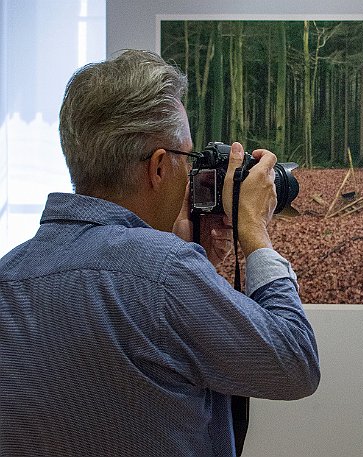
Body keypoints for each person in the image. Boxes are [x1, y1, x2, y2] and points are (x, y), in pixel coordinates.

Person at [0, 50, 320, 457]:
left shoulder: (8, 275)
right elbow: (295, 365)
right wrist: (254, 231)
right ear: (158, 167)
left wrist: (192, 258)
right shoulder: (165, 273)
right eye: (188, 158)